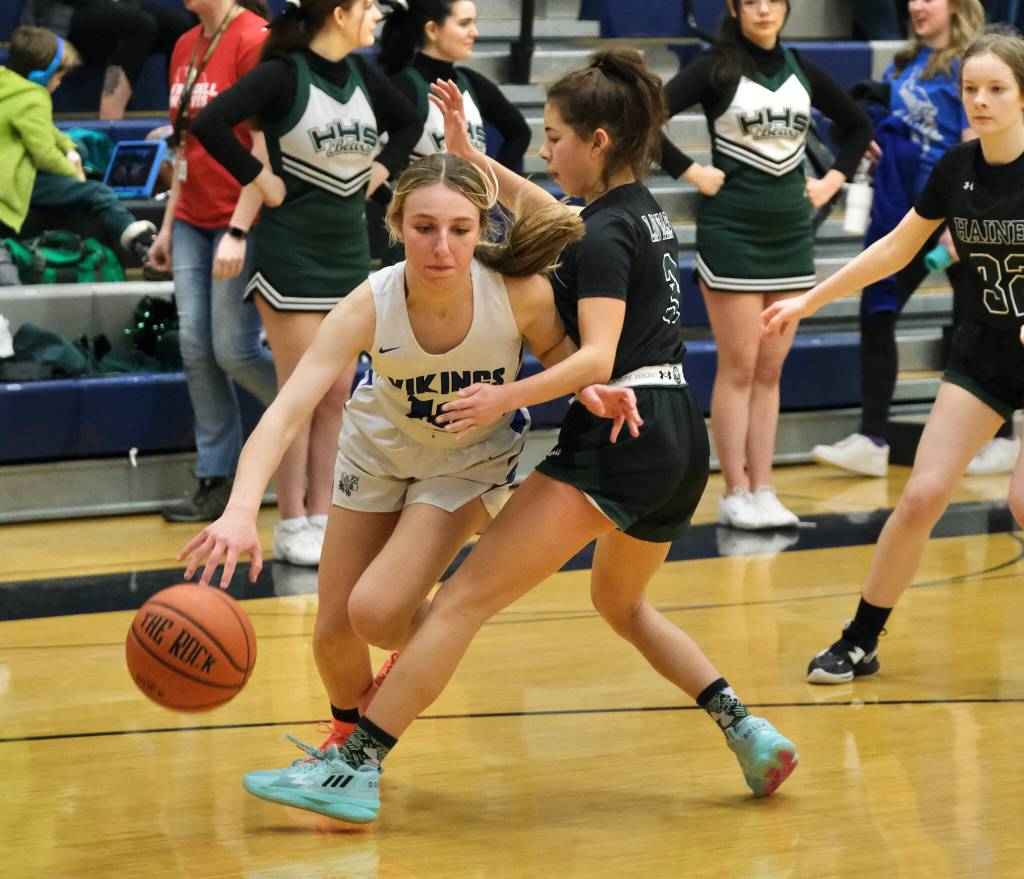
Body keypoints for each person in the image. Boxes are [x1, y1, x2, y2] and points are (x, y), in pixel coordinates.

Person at [200, 47, 801, 824]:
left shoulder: (594, 241)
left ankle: (353, 766)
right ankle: (744, 725)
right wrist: (465, 154)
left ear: (598, 143)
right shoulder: (638, 211)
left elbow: (592, 352)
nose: (545, 154)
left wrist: (510, 395)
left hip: (621, 425)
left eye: (555, 138)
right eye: (426, 227)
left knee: (458, 605)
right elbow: (540, 211)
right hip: (680, 431)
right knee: (620, 604)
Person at [180, 149, 639, 792]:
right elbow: (287, 412)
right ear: (397, 226)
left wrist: (592, 391)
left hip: (468, 463)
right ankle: (345, 751)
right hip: (377, 454)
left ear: (482, 229)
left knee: (376, 611)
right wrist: (238, 510)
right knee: (334, 632)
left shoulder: (518, 293)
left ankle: (386, 716)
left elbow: (564, 354)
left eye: (459, 229)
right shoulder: (370, 302)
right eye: (425, 228)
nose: (443, 247)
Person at [762, 29, 1024, 684]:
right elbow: (894, 250)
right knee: (921, 495)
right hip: (983, 354)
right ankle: (859, 639)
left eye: (997, 89)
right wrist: (809, 301)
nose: (981, 101)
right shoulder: (956, 170)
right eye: (971, 89)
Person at [192, 0, 422, 566]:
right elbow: (209, 122)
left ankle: (322, 514)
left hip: (347, 252)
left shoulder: (363, 75)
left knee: (337, 394)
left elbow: (410, 121)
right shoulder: (282, 73)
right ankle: (290, 518)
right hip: (291, 253)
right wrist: (258, 179)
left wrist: (384, 168)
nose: (376, 17)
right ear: (340, 13)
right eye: (368, 7)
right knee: (299, 393)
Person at [660, 0, 874, 530]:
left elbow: (858, 124)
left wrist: (832, 181)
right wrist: (692, 172)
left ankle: (765, 487)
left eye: (773, 1)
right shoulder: (716, 66)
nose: (763, 9)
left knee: (771, 370)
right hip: (732, 233)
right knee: (739, 368)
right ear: (734, 8)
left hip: (791, 238)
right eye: (751, 0)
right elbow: (644, 119)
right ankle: (735, 491)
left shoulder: (800, 64)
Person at [809, 1, 1016, 479]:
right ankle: (873, 437)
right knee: (878, 310)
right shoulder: (906, 62)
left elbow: (976, 141)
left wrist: (959, 227)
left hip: (960, 218)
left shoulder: (973, 64)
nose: (916, 5)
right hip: (911, 213)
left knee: (982, 318)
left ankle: (1001, 436)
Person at [148, 0, 280, 523]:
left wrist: (238, 230)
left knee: (233, 350)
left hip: (239, 221)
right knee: (195, 349)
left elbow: (265, 151)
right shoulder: (184, 44)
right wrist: (167, 225)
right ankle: (214, 475)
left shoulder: (255, 39)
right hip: (191, 222)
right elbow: (182, 147)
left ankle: (329, 420)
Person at [0, 27, 159, 270]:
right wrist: (74, 174)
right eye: (59, 76)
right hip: (15, 183)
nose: (60, 82)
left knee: (81, 150)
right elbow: (44, 154)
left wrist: (70, 148)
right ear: (42, 75)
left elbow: (48, 132)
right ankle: (139, 238)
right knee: (95, 192)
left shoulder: (9, 87)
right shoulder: (33, 96)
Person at [379, 0, 530, 168]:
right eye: (464, 24)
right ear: (432, 30)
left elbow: (520, 133)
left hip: (473, 193)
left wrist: (494, 184)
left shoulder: (473, 82)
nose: (475, 32)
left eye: (474, 23)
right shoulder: (404, 88)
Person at [19, 0, 197, 120]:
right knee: (140, 24)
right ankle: (110, 119)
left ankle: (179, 115)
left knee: (181, 26)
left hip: (121, 8)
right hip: (69, 11)